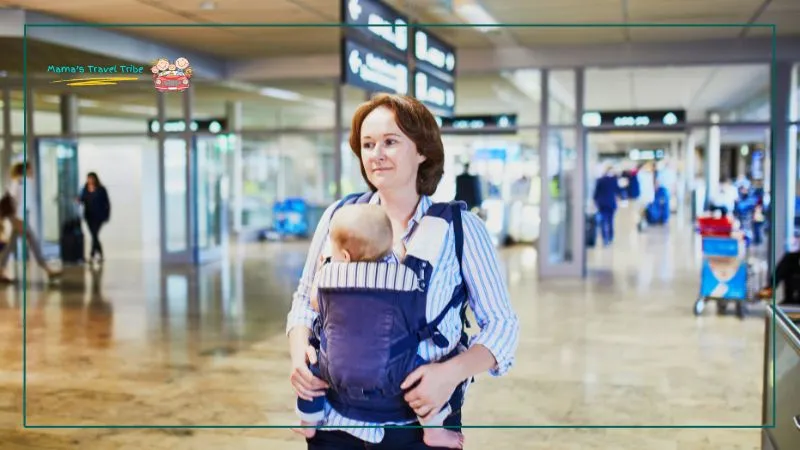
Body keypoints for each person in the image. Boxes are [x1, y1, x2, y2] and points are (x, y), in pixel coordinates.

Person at [286, 94, 520, 450]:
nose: (376, 154)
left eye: (390, 142)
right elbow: (306, 299)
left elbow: (503, 325)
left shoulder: (459, 229)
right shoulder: (339, 216)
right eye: (368, 144)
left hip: (416, 428)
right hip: (335, 423)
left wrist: (449, 374)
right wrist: (300, 356)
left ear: (423, 151)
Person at [294, 203, 464, 448]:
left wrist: (323, 269)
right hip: (393, 366)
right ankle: (434, 430)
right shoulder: (401, 276)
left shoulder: (328, 277)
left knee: (310, 375)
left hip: (336, 366)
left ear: (345, 256)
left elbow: (314, 303)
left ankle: (309, 422)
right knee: (423, 384)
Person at [0, 191, 60, 282]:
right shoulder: (8, 219)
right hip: (7, 237)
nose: (15, 205)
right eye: (13, 203)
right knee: (24, 232)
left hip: (11, 234)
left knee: (22, 234)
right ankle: (47, 268)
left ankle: (46, 268)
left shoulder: (11, 218)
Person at [78, 172, 111, 264]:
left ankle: (92, 255)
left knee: (94, 234)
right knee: (94, 235)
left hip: (99, 216)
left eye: (92, 178)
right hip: (89, 216)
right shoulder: (85, 189)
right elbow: (82, 199)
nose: (90, 180)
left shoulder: (101, 189)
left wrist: (107, 215)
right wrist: (79, 200)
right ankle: (99, 254)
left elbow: (107, 203)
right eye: (89, 178)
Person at [593, 165, 619, 246]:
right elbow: (618, 191)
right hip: (611, 204)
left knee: (603, 221)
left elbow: (596, 194)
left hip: (602, 204)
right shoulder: (614, 180)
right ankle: (610, 237)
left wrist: (596, 202)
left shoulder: (600, 180)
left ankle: (605, 239)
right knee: (610, 221)